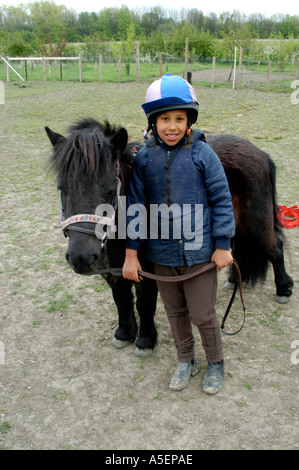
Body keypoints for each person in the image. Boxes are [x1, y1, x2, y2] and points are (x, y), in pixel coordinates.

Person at [122, 74, 235, 394]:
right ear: (153, 122)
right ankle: (186, 359)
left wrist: (223, 244)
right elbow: (135, 208)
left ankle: (215, 361)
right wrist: (131, 253)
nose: (171, 126)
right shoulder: (143, 159)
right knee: (174, 311)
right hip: (161, 255)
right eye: (164, 119)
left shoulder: (203, 154)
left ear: (189, 121)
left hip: (200, 254)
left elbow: (221, 200)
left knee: (201, 312)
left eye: (179, 119)